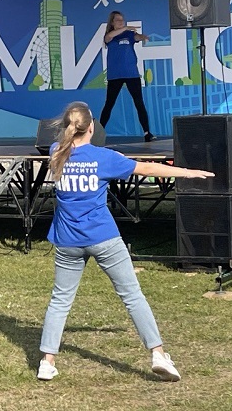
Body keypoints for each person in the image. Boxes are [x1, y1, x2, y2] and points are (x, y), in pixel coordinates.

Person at [37, 101, 214, 383]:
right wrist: (187, 172)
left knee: (60, 300)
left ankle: (47, 362)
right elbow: (147, 169)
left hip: (67, 240)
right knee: (132, 295)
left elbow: (68, 147)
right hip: (103, 237)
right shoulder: (105, 158)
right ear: (92, 128)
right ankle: (158, 354)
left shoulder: (56, 152)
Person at [99, 11, 156, 142]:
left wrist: (142, 37)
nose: (121, 21)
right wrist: (125, 28)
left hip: (131, 73)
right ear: (112, 22)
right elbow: (108, 37)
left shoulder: (129, 34)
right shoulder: (110, 36)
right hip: (115, 75)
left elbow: (137, 37)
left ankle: (147, 132)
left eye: (122, 19)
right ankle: (99, 133)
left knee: (139, 102)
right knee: (109, 104)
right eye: (118, 20)